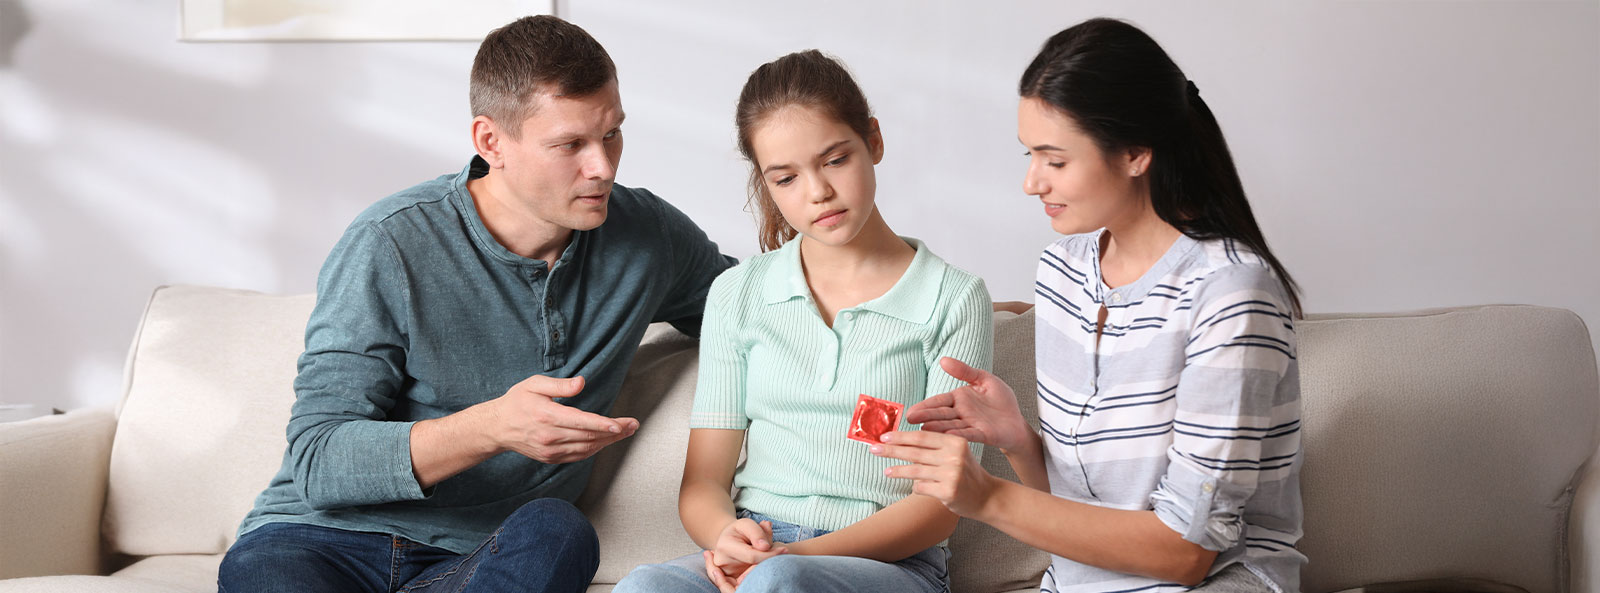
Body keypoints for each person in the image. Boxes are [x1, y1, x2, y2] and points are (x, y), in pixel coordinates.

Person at [217, 15, 736, 593]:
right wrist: (493, 427)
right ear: (492, 143)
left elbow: (762, 311)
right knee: (259, 571)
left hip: (479, 558)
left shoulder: (648, 237)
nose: (604, 168)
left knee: (560, 530)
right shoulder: (390, 242)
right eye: (570, 145)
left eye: (612, 133)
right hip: (320, 541)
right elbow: (318, 458)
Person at [873, 18, 1306, 593]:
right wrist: (1020, 442)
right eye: (1029, 155)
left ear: (1135, 153)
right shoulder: (1062, 272)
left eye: (1054, 160)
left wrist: (987, 495)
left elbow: (1186, 553)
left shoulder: (1230, 293)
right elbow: (1075, 515)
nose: (1031, 182)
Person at [612, 50, 993, 593]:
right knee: (646, 586)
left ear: (874, 142)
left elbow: (941, 506)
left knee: (784, 583)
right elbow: (702, 484)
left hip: (891, 564)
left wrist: (792, 558)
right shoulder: (737, 293)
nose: (817, 192)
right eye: (786, 178)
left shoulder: (955, 299)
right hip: (764, 549)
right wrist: (727, 538)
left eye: (835, 160)